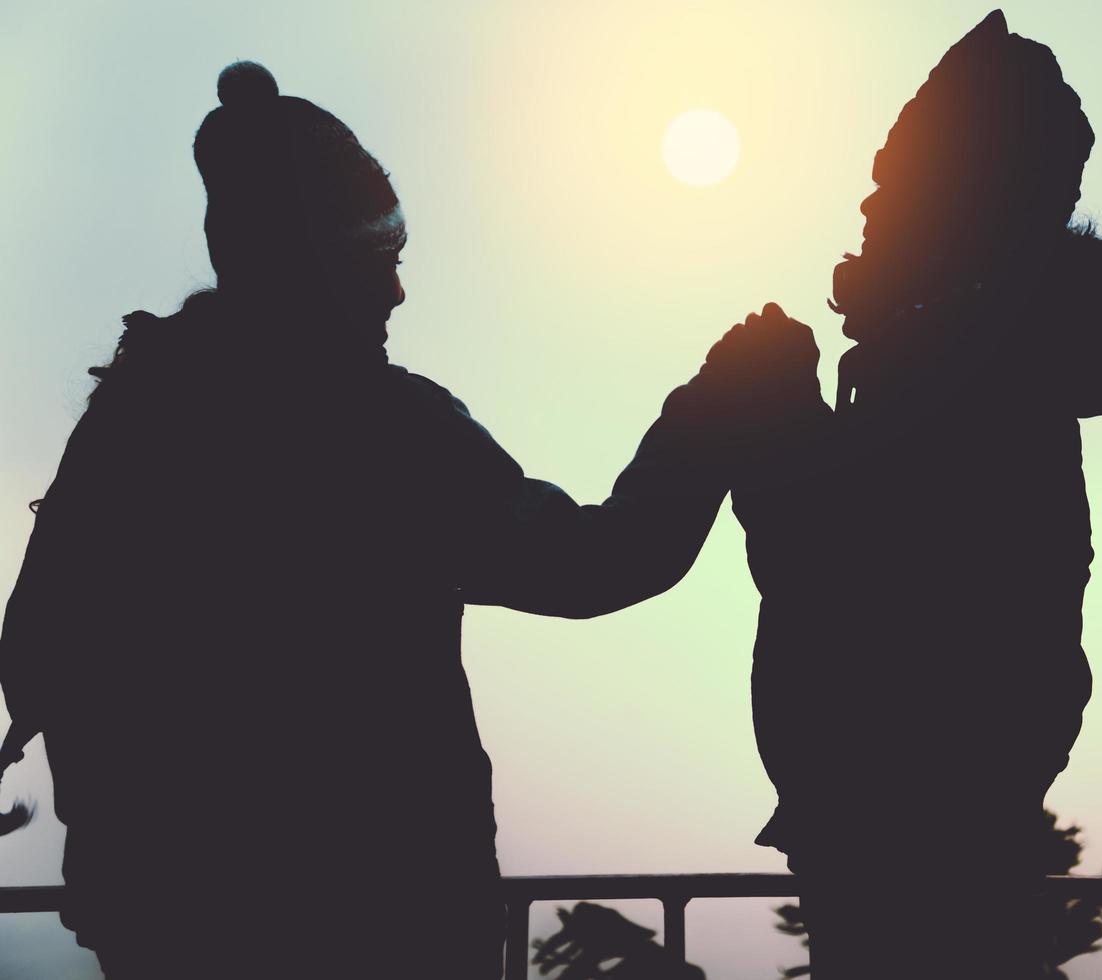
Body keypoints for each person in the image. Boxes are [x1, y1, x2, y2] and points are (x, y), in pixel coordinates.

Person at [0, 62, 780, 980]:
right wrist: (716, 417)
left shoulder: (133, 420)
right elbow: (590, 564)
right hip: (376, 912)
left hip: (162, 917)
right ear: (320, 263)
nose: (399, 294)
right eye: (385, 262)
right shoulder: (378, 429)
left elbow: (34, 653)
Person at [730, 10, 1102, 976]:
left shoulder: (961, 366)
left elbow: (827, 562)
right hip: (927, 796)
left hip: (898, 810)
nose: (869, 205)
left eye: (899, 181)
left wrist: (771, 410)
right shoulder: (983, 348)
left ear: (961, 201)